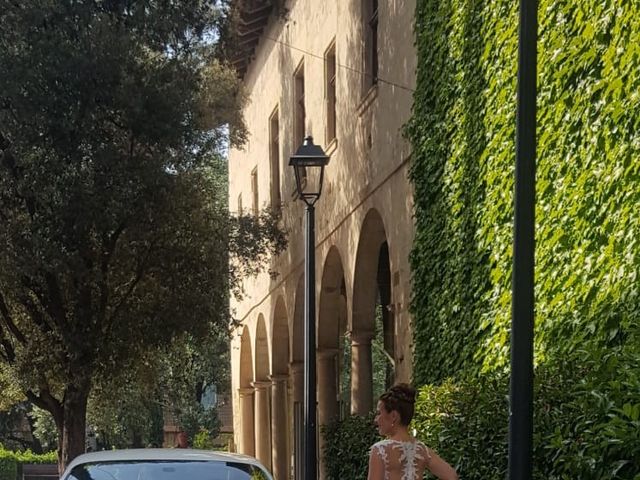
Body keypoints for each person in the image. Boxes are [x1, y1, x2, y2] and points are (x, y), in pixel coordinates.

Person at [367, 383, 458, 480]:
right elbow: (452, 476)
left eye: (379, 413)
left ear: (393, 416)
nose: (376, 420)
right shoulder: (422, 450)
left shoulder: (380, 450)